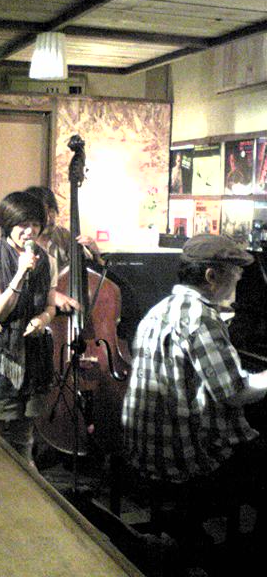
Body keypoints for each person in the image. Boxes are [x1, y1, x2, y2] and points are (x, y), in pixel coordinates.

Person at [122, 234, 267, 562]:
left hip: (145, 448)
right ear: (211, 276)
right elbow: (234, 393)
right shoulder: (200, 318)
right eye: (236, 273)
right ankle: (246, 558)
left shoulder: (159, 309)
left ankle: (190, 535)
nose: (239, 280)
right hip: (182, 457)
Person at [0, 191, 57, 463]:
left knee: (24, 436)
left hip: (33, 356)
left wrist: (42, 320)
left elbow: (51, 306)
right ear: (8, 224)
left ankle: (25, 483)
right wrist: (20, 273)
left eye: (35, 224)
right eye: (23, 224)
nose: (30, 231)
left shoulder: (48, 261)